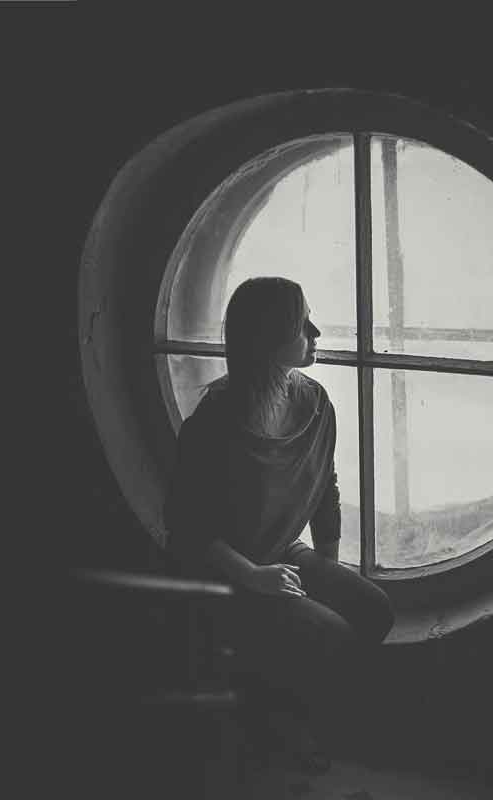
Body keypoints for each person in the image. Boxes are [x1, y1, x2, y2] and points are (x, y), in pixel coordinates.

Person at [163, 276, 394, 775]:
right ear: (269, 336)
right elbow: (187, 531)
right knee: (332, 639)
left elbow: (324, 492)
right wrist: (252, 577)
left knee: (374, 611)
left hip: (284, 556)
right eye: (301, 322)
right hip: (225, 574)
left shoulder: (315, 403)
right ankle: (276, 722)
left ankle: (280, 705)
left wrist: (325, 571)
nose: (316, 331)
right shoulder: (213, 423)